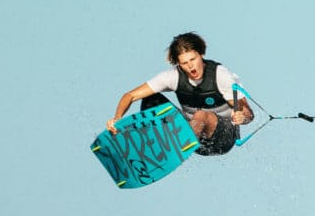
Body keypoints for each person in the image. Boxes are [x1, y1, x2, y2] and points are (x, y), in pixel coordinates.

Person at [107, 32, 253, 155]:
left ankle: (171, 149)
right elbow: (130, 96)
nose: (190, 66)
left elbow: (248, 113)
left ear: (201, 54)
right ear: (178, 64)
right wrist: (117, 118)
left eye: (193, 59)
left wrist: (242, 117)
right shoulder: (172, 77)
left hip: (222, 139)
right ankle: (147, 142)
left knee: (201, 115)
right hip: (192, 135)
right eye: (184, 63)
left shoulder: (220, 75)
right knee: (151, 99)